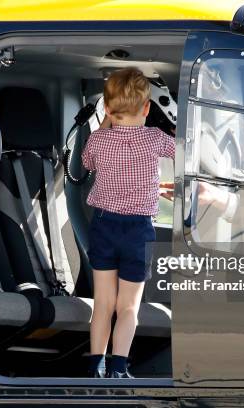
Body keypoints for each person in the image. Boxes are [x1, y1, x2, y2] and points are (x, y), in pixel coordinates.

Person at [81, 67, 175, 378]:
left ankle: (96, 367)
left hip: (104, 226)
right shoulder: (156, 138)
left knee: (103, 304)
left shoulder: (98, 141)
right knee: (129, 307)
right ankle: (118, 368)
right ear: (147, 108)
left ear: (106, 108)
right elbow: (188, 152)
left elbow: (87, 163)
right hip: (138, 229)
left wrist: (107, 123)